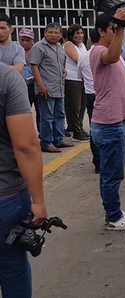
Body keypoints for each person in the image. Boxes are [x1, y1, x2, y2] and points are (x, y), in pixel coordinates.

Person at [0, 62, 47, 298]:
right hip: (4, 197)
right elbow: (26, 146)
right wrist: (38, 200)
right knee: (11, 270)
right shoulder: (7, 78)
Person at [90, 10, 125, 230]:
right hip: (108, 124)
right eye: (113, 29)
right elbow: (110, 57)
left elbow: (118, 89)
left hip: (115, 122)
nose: (118, 33)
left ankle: (115, 211)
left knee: (111, 173)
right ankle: (114, 217)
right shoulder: (99, 51)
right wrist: (120, 23)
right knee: (112, 175)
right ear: (101, 32)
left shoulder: (115, 53)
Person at [30, 23, 74, 153]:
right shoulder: (39, 47)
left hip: (59, 87)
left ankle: (58, 140)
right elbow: (34, 67)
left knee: (60, 115)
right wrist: (41, 86)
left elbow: (59, 65)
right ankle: (46, 142)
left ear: (61, 35)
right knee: (47, 117)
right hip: (46, 88)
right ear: (45, 33)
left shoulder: (60, 48)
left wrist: (64, 70)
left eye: (57, 33)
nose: (54, 35)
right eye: (51, 32)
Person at [78, 29, 101, 174]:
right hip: (105, 96)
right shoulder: (111, 55)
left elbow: (80, 75)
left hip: (90, 95)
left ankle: (98, 162)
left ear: (90, 40)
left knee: (95, 129)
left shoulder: (83, 55)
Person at [63, 24, 90, 142]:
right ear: (71, 34)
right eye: (77, 33)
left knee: (82, 105)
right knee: (75, 106)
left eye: (81, 33)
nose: (79, 35)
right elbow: (78, 60)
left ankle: (79, 127)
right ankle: (76, 131)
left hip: (82, 79)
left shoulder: (82, 45)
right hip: (72, 79)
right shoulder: (68, 45)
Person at [18, 29, 40, 133]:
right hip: (21, 86)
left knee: (41, 113)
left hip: (37, 85)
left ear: (33, 40)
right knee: (23, 113)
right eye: (23, 40)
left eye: (28, 40)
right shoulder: (16, 51)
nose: (25, 42)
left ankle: (43, 138)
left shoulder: (38, 50)